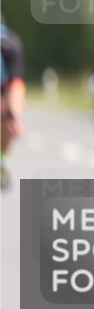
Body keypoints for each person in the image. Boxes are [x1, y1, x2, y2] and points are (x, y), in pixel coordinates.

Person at [1, 17, 26, 191]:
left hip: (4, 88)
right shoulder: (11, 42)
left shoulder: (10, 45)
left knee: (6, 118)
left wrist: (16, 117)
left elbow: (16, 84)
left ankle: (3, 161)